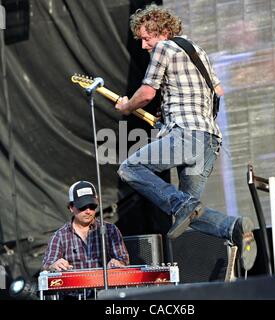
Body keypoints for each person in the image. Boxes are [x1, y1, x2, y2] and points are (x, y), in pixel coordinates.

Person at [115, 4, 256, 270]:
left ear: (164, 31)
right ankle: (234, 228)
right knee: (189, 217)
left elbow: (146, 93)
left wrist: (126, 107)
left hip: (187, 134)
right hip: (208, 140)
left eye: (147, 37)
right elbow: (219, 92)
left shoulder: (163, 48)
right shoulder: (198, 51)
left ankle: (182, 204)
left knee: (130, 168)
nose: (144, 45)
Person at [42, 180, 129, 271]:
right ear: (71, 207)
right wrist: (54, 265)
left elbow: (123, 260)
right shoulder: (60, 236)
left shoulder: (110, 230)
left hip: (106, 284)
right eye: (82, 206)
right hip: (76, 284)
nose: (88, 211)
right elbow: (47, 264)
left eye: (92, 206)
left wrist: (118, 263)